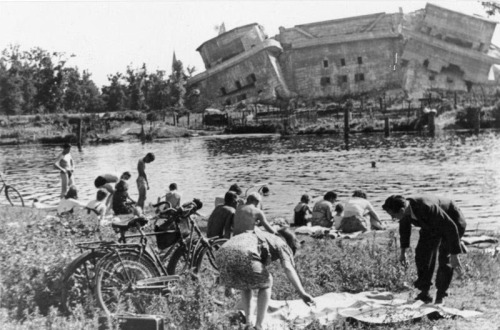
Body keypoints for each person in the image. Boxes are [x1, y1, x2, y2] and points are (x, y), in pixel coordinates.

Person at [216, 228, 314, 330]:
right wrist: (302, 293)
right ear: (290, 242)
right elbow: (288, 268)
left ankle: (248, 323)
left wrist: (228, 282)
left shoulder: (263, 235)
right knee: (267, 282)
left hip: (221, 252)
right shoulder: (281, 243)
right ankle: (259, 326)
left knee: (246, 282)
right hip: (244, 253)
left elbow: (235, 249)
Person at [382, 195, 467, 305]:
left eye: (393, 216)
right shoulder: (405, 212)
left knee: (445, 258)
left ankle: (441, 295)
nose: (392, 218)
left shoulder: (427, 207)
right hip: (430, 225)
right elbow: (404, 230)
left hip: (453, 222)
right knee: (422, 255)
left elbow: (450, 227)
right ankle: (424, 293)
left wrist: (454, 254)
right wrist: (403, 253)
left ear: (402, 210)